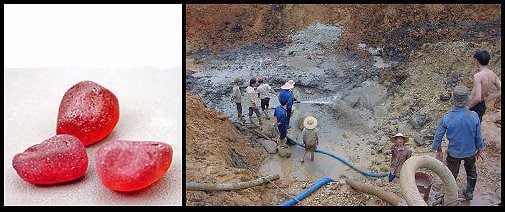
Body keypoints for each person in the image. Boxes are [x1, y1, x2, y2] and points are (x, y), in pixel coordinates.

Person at [433, 85, 483, 200]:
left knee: (451, 174)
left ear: (453, 101)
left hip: (454, 153)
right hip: (470, 152)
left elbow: (438, 136)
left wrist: (439, 149)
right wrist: (480, 149)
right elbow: (478, 135)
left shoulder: (447, 118)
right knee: (471, 172)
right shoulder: (474, 116)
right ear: (466, 101)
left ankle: (450, 195)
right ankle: (469, 192)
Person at [466, 50, 501, 122]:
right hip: (482, 105)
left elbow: (477, 98)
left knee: (469, 126)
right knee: (477, 125)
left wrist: (467, 107)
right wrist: (488, 98)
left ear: (477, 61)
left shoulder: (478, 76)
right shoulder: (493, 74)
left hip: (474, 105)